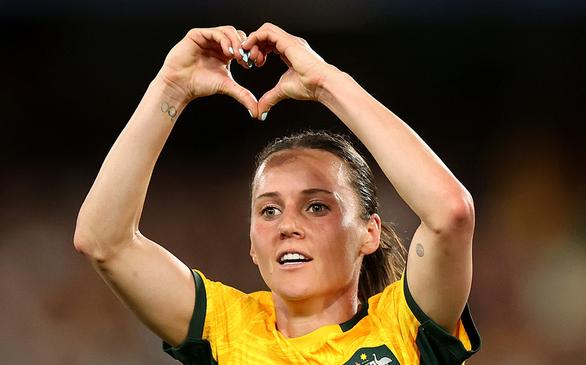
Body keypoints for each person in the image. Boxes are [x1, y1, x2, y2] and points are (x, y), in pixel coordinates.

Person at [74, 23, 481, 364]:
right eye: (269, 211)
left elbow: (450, 214)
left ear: (369, 233)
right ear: (252, 244)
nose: (288, 225)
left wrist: (326, 82)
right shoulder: (226, 330)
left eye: (317, 206)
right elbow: (103, 241)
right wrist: (170, 87)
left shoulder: (404, 328)